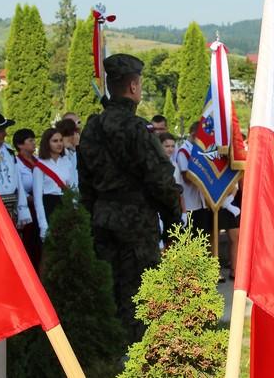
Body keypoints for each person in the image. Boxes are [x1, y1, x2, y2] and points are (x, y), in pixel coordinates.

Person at [78, 53, 181, 343]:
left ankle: (111, 350)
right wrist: (173, 225)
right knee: (139, 296)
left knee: (109, 292)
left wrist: (92, 217)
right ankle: (135, 355)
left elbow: (85, 183)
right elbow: (162, 181)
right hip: (136, 223)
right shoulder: (138, 129)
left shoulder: (92, 128)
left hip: (102, 219)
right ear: (134, 87)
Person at [32, 128, 78, 242]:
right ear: (47, 143)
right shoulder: (40, 165)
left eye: (61, 140)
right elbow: (38, 199)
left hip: (66, 205)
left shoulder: (66, 162)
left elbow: (72, 187)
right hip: (50, 206)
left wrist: (75, 209)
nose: (59, 144)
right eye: (55, 141)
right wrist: (43, 225)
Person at [13, 128, 42, 271]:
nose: (34, 143)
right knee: (31, 243)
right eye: (30, 140)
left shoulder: (39, 161)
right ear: (20, 145)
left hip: (42, 205)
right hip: (28, 207)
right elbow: (17, 185)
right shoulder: (16, 163)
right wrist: (29, 198)